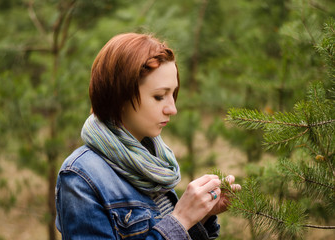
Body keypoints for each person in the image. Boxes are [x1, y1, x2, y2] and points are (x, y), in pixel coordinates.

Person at [55, 32, 241, 240]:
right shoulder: (81, 177)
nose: (172, 108)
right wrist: (180, 220)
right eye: (159, 96)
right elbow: (170, 230)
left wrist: (200, 216)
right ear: (120, 96)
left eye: (173, 94)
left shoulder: (152, 162)